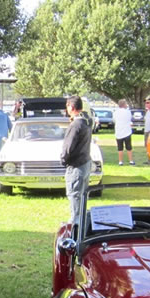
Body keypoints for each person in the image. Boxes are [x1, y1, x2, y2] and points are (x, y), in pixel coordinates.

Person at [61, 95, 92, 224]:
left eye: (67, 106)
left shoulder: (76, 125)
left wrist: (63, 159)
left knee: (74, 194)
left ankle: (75, 222)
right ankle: (81, 219)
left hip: (76, 165)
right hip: (85, 162)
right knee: (82, 194)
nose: (66, 109)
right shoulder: (87, 121)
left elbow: (68, 147)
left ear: (71, 107)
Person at [112, 99, 134, 165]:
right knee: (129, 147)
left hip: (118, 132)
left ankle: (120, 161)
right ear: (124, 105)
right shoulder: (128, 112)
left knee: (120, 148)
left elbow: (114, 120)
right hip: (127, 131)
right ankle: (131, 161)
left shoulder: (115, 112)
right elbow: (129, 119)